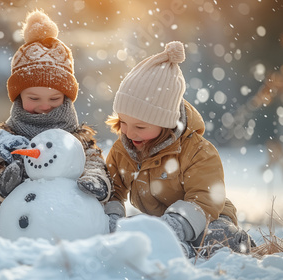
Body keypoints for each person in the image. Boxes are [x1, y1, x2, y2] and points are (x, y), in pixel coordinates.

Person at [105, 41, 252, 258]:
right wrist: (112, 218)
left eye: (140, 126)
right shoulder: (123, 150)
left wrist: (175, 226)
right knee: (132, 230)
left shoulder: (198, 152)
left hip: (208, 217)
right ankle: (174, 248)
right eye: (123, 122)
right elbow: (113, 189)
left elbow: (205, 199)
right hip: (162, 220)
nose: (128, 132)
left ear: (166, 122)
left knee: (215, 239)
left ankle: (225, 244)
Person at [0, 10, 112, 231]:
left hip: (70, 220)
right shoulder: (11, 136)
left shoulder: (75, 136)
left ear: (66, 97)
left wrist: (96, 179)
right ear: (18, 96)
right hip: (21, 223)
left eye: (55, 98)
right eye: (34, 98)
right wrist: (4, 180)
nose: (44, 105)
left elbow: (93, 160)